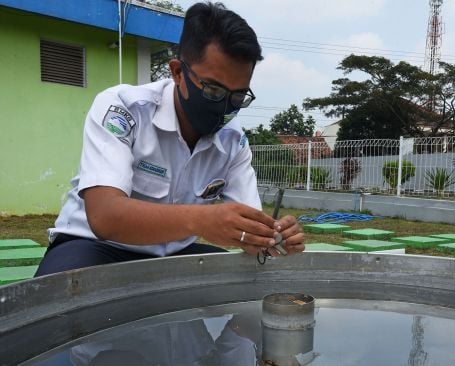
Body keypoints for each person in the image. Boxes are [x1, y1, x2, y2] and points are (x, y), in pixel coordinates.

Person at [35, 1, 304, 276]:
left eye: (237, 97)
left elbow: (248, 229)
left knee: (245, 283)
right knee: (55, 301)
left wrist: (273, 236)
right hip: (94, 246)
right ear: (177, 72)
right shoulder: (123, 109)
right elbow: (105, 216)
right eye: (212, 90)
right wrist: (201, 220)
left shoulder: (233, 142)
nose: (225, 107)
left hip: (173, 252)